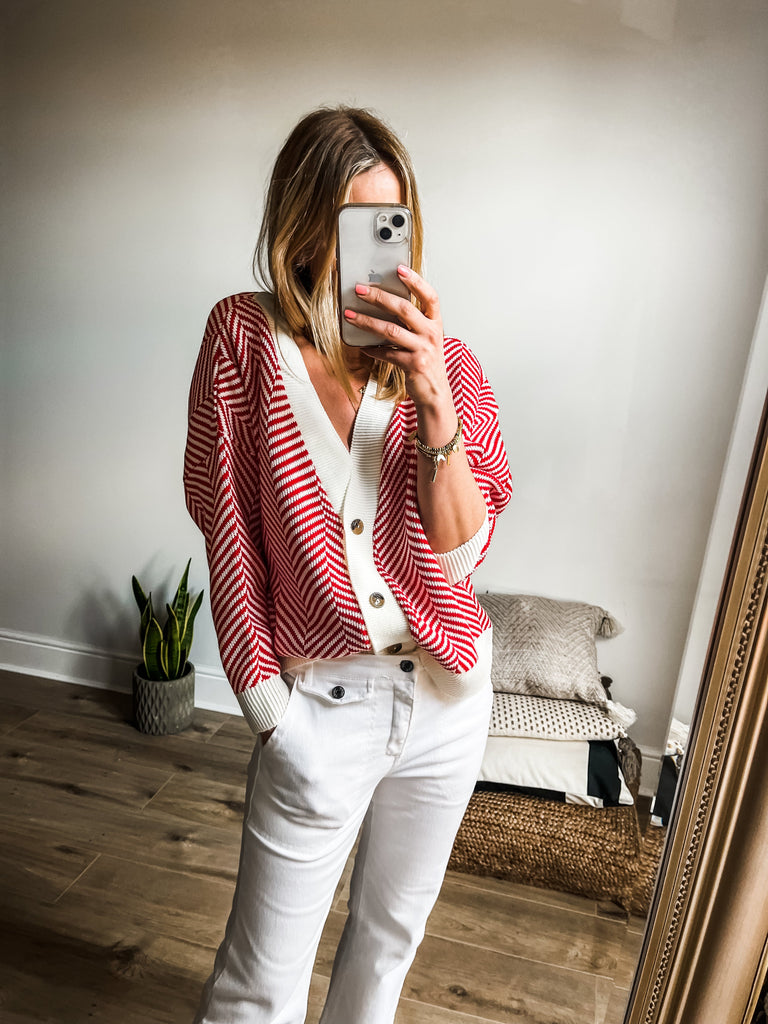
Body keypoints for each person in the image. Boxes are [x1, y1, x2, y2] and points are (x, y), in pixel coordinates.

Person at [183, 105, 512, 1024]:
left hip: (448, 702)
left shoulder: (448, 365)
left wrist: (435, 402)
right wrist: (270, 712)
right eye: (351, 221)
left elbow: (463, 553)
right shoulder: (243, 340)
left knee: (385, 952)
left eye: (388, 221)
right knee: (256, 988)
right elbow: (225, 525)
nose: (372, 249)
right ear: (301, 227)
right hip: (318, 710)